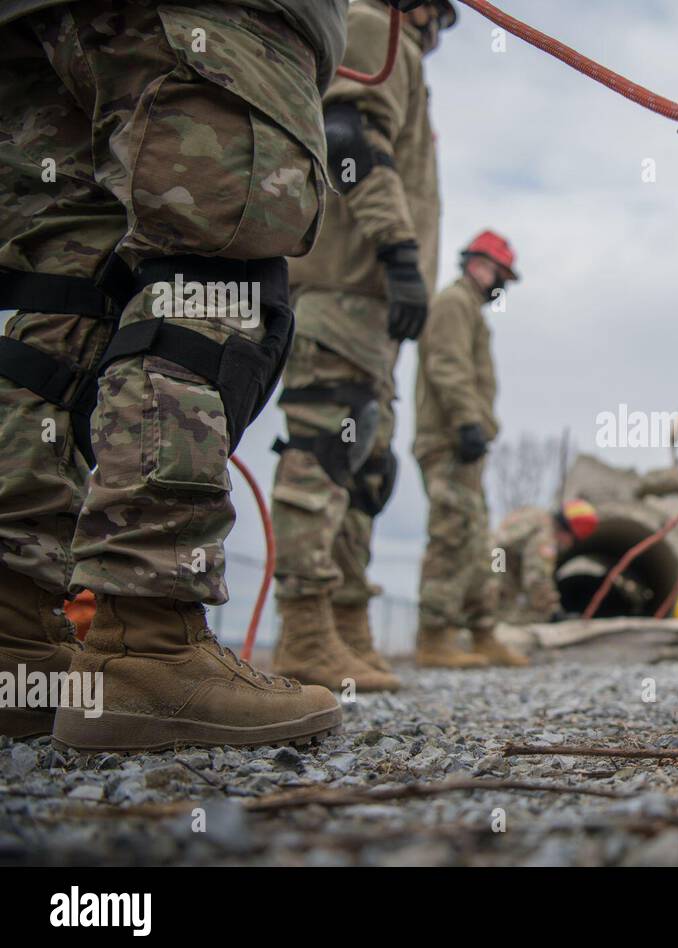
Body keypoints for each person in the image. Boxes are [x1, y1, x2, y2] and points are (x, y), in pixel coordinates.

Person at [0, 0, 362, 749]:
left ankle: (14, 639)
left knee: (62, 289)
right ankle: (147, 644)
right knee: (207, 264)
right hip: (206, 21)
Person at [269, 0, 457, 694]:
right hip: (348, 289)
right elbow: (346, 137)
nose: (440, 32)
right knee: (323, 451)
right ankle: (304, 627)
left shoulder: (396, 49)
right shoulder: (379, 29)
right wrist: (399, 250)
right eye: (439, 16)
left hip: (369, 304)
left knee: (363, 468)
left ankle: (343, 621)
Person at [413, 230, 520, 668]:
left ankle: (481, 631)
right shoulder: (455, 304)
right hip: (449, 440)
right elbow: (448, 366)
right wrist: (467, 422)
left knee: (477, 542)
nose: (502, 286)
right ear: (480, 265)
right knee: (452, 535)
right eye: (501, 275)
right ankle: (434, 637)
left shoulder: (469, 311)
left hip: (463, 444)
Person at [489, 500, 599, 632]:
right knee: (518, 618)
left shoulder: (534, 514)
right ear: (568, 533)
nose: (568, 545)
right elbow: (536, 578)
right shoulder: (546, 535)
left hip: (491, 560)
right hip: (496, 567)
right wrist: (553, 613)